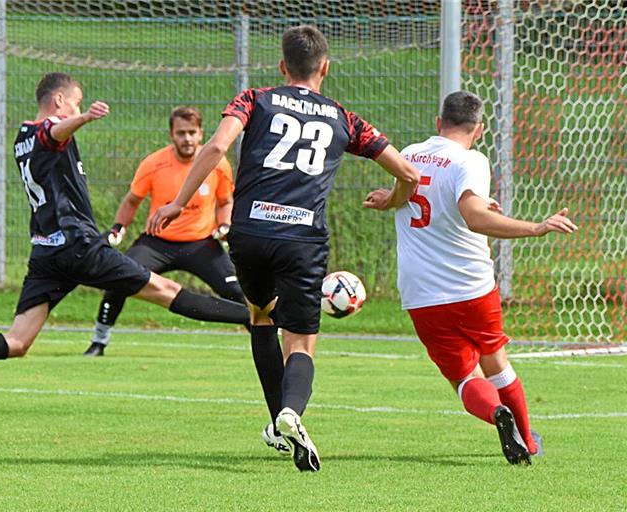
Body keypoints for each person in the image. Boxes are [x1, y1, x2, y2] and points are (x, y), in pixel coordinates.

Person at [147, 26, 420, 472]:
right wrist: (391, 200)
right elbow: (408, 173)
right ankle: (292, 411)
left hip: (249, 231)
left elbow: (217, 145)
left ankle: (277, 422)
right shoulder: (344, 119)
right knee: (301, 341)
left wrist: (178, 202)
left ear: (282, 67)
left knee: (260, 313)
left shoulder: (254, 99)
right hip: (302, 239)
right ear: (325, 68)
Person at [0, 72, 249, 413]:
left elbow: (48, 134)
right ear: (59, 100)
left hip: (46, 252)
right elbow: (54, 130)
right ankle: (262, 316)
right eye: (76, 103)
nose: (78, 109)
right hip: (78, 245)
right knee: (167, 291)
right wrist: (84, 119)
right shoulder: (50, 130)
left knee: (18, 341)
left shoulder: (21, 135)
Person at [364, 90, 578, 464]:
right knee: (496, 361)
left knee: (464, 378)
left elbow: (411, 190)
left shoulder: (410, 153)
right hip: (472, 287)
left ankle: (496, 413)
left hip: (422, 293)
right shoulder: (471, 160)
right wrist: (536, 227)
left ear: (438, 122)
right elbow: (474, 216)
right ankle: (526, 439)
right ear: (478, 129)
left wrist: (389, 200)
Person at [85, 107, 246, 357]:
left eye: (192, 132)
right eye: (181, 133)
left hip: (201, 243)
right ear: (171, 135)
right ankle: (99, 341)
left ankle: (266, 336)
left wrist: (224, 225)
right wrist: (119, 228)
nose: (187, 139)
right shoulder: (154, 163)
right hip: (157, 243)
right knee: (118, 279)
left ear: (201, 133)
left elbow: (226, 201)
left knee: (237, 291)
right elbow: (131, 200)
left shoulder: (216, 162)